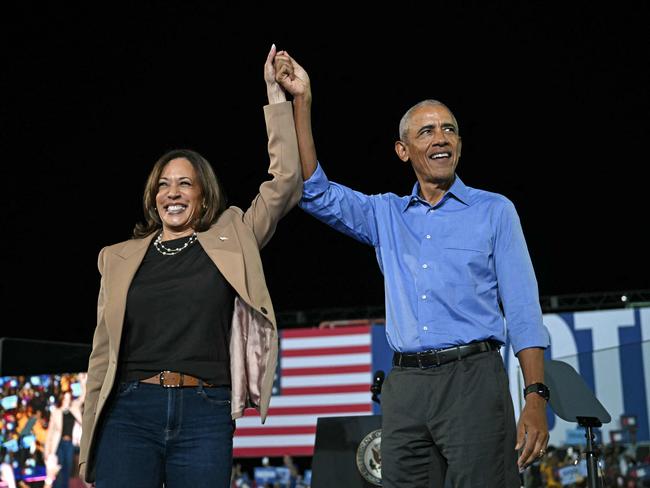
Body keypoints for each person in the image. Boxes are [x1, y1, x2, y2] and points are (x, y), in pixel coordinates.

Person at [273, 52, 550, 487]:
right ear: (403, 150)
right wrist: (302, 100)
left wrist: (536, 396)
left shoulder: (495, 211)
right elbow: (315, 191)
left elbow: (523, 311)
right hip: (404, 388)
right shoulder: (385, 214)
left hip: (474, 381)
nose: (441, 138)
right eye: (427, 131)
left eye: (449, 129)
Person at [78, 45, 301, 488]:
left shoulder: (234, 234)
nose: (172, 193)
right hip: (129, 413)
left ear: (204, 194)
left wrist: (277, 100)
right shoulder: (117, 257)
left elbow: (286, 182)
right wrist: (87, 446)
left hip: (205, 412)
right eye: (163, 185)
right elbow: (101, 355)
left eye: (185, 183)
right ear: (152, 195)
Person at [44, 390, 83, 488]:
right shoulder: (56, 412)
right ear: (62, 399)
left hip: (70, 443)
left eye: (69, 398)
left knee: (68, 470)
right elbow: (50, 433)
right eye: (65, 398)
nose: (67, 400)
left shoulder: (74, 408)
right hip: (59, 444)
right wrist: (47, 451)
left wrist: (83, 382)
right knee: (60, 470)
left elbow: (83, 397)